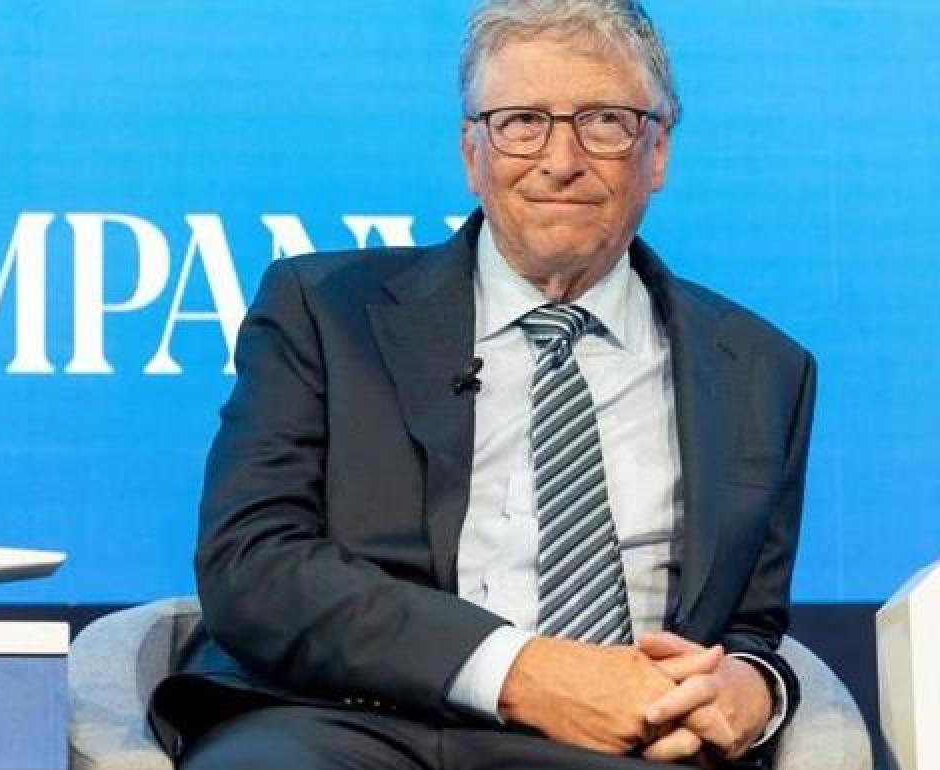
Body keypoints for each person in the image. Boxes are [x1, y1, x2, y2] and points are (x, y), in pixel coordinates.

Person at [150, 1, 815, 768]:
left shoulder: (761, 370)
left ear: (657, 151)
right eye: (522, 122)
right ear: (472, 153)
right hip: (340, 723)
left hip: (622, 749)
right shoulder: (324, 313)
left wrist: (756, 689)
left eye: (604, 122)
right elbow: (253, 566)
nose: (560, 160)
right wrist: (521, 673)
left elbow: (751, 629)